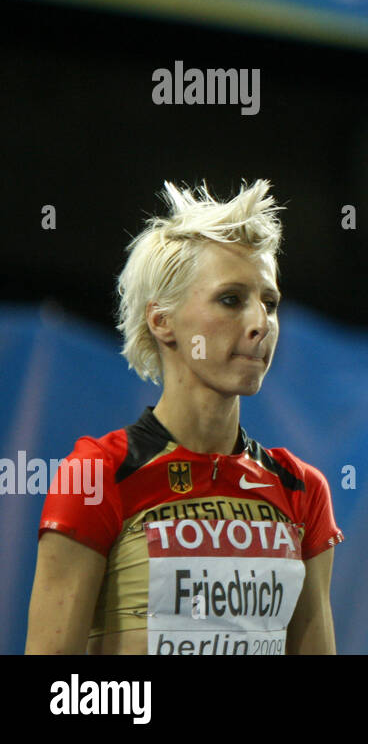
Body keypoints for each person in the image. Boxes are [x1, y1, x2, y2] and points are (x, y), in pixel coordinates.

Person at [25, 179, 343, 654]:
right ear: (162, 321)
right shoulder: (96, 475)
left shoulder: (302, 490)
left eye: (270, 303)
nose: (261, 323)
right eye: (231, 299)